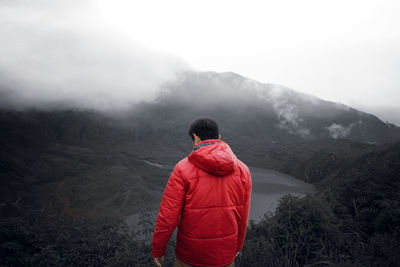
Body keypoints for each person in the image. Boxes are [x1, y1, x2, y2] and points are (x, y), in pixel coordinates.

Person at [152, 118, 252, 267]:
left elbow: (168, 216)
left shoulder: (182, 168)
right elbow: (243, 217)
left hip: (190, 256)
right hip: (225, 255)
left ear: (196, 137)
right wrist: (237, 247)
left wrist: (158, 249)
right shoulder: (243, 169)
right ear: (219, 137)